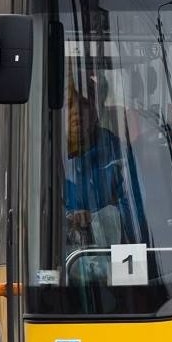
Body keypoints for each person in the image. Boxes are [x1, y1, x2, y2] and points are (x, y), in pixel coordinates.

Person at [64, 77, 146, 247]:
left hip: (116, 256)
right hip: (58, 258)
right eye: (69, 104)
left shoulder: (118, 155)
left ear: (96, 111)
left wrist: (96, 219)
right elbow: (37, 215)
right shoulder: (46, 156)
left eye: (84, 104)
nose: (76, 112)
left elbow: (137, 218)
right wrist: (68, 218)